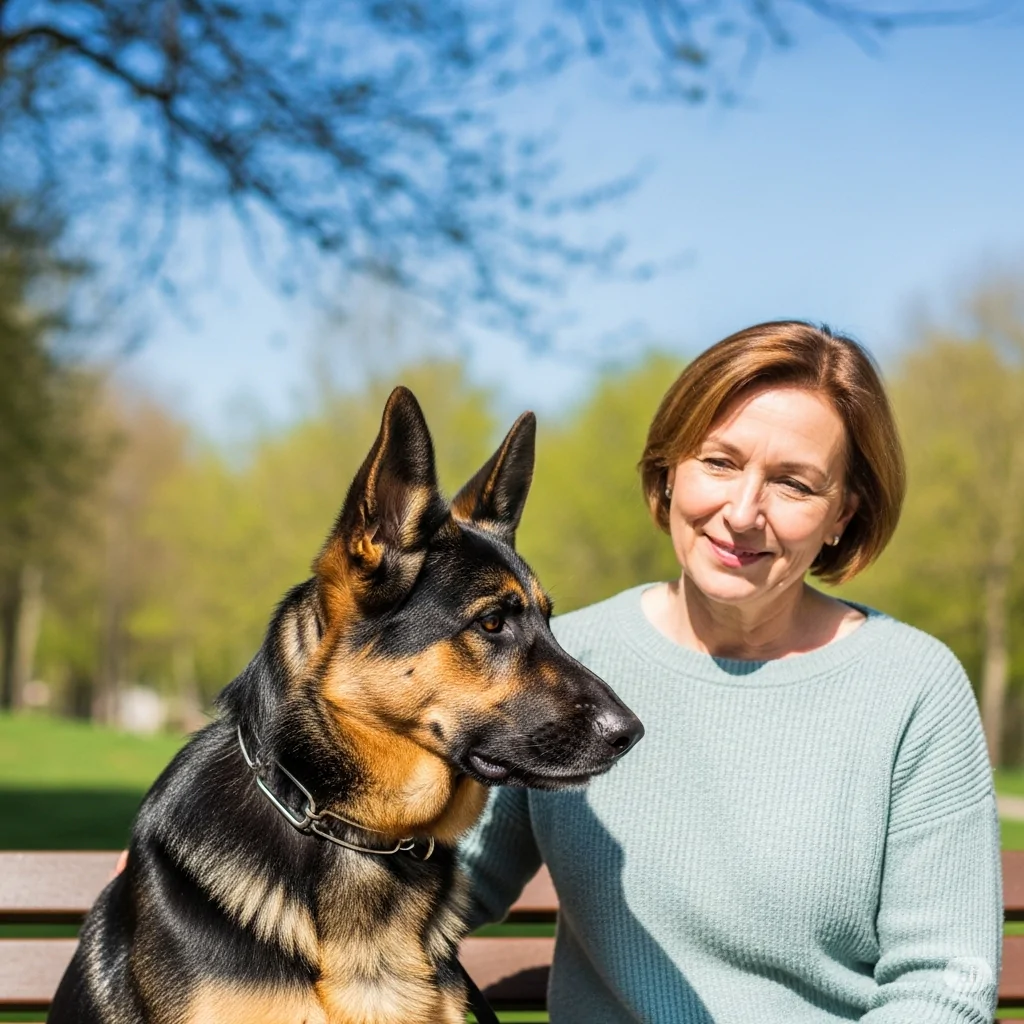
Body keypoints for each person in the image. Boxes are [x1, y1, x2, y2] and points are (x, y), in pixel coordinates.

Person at [458, 321, 1002, 1023]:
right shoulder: (566, 664)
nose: (743, 513)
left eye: (794, 484)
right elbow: (433, 885)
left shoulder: (912, 687)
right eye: (719, 462)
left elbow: (942, 985)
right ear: (668, 470)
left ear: (843, 514)